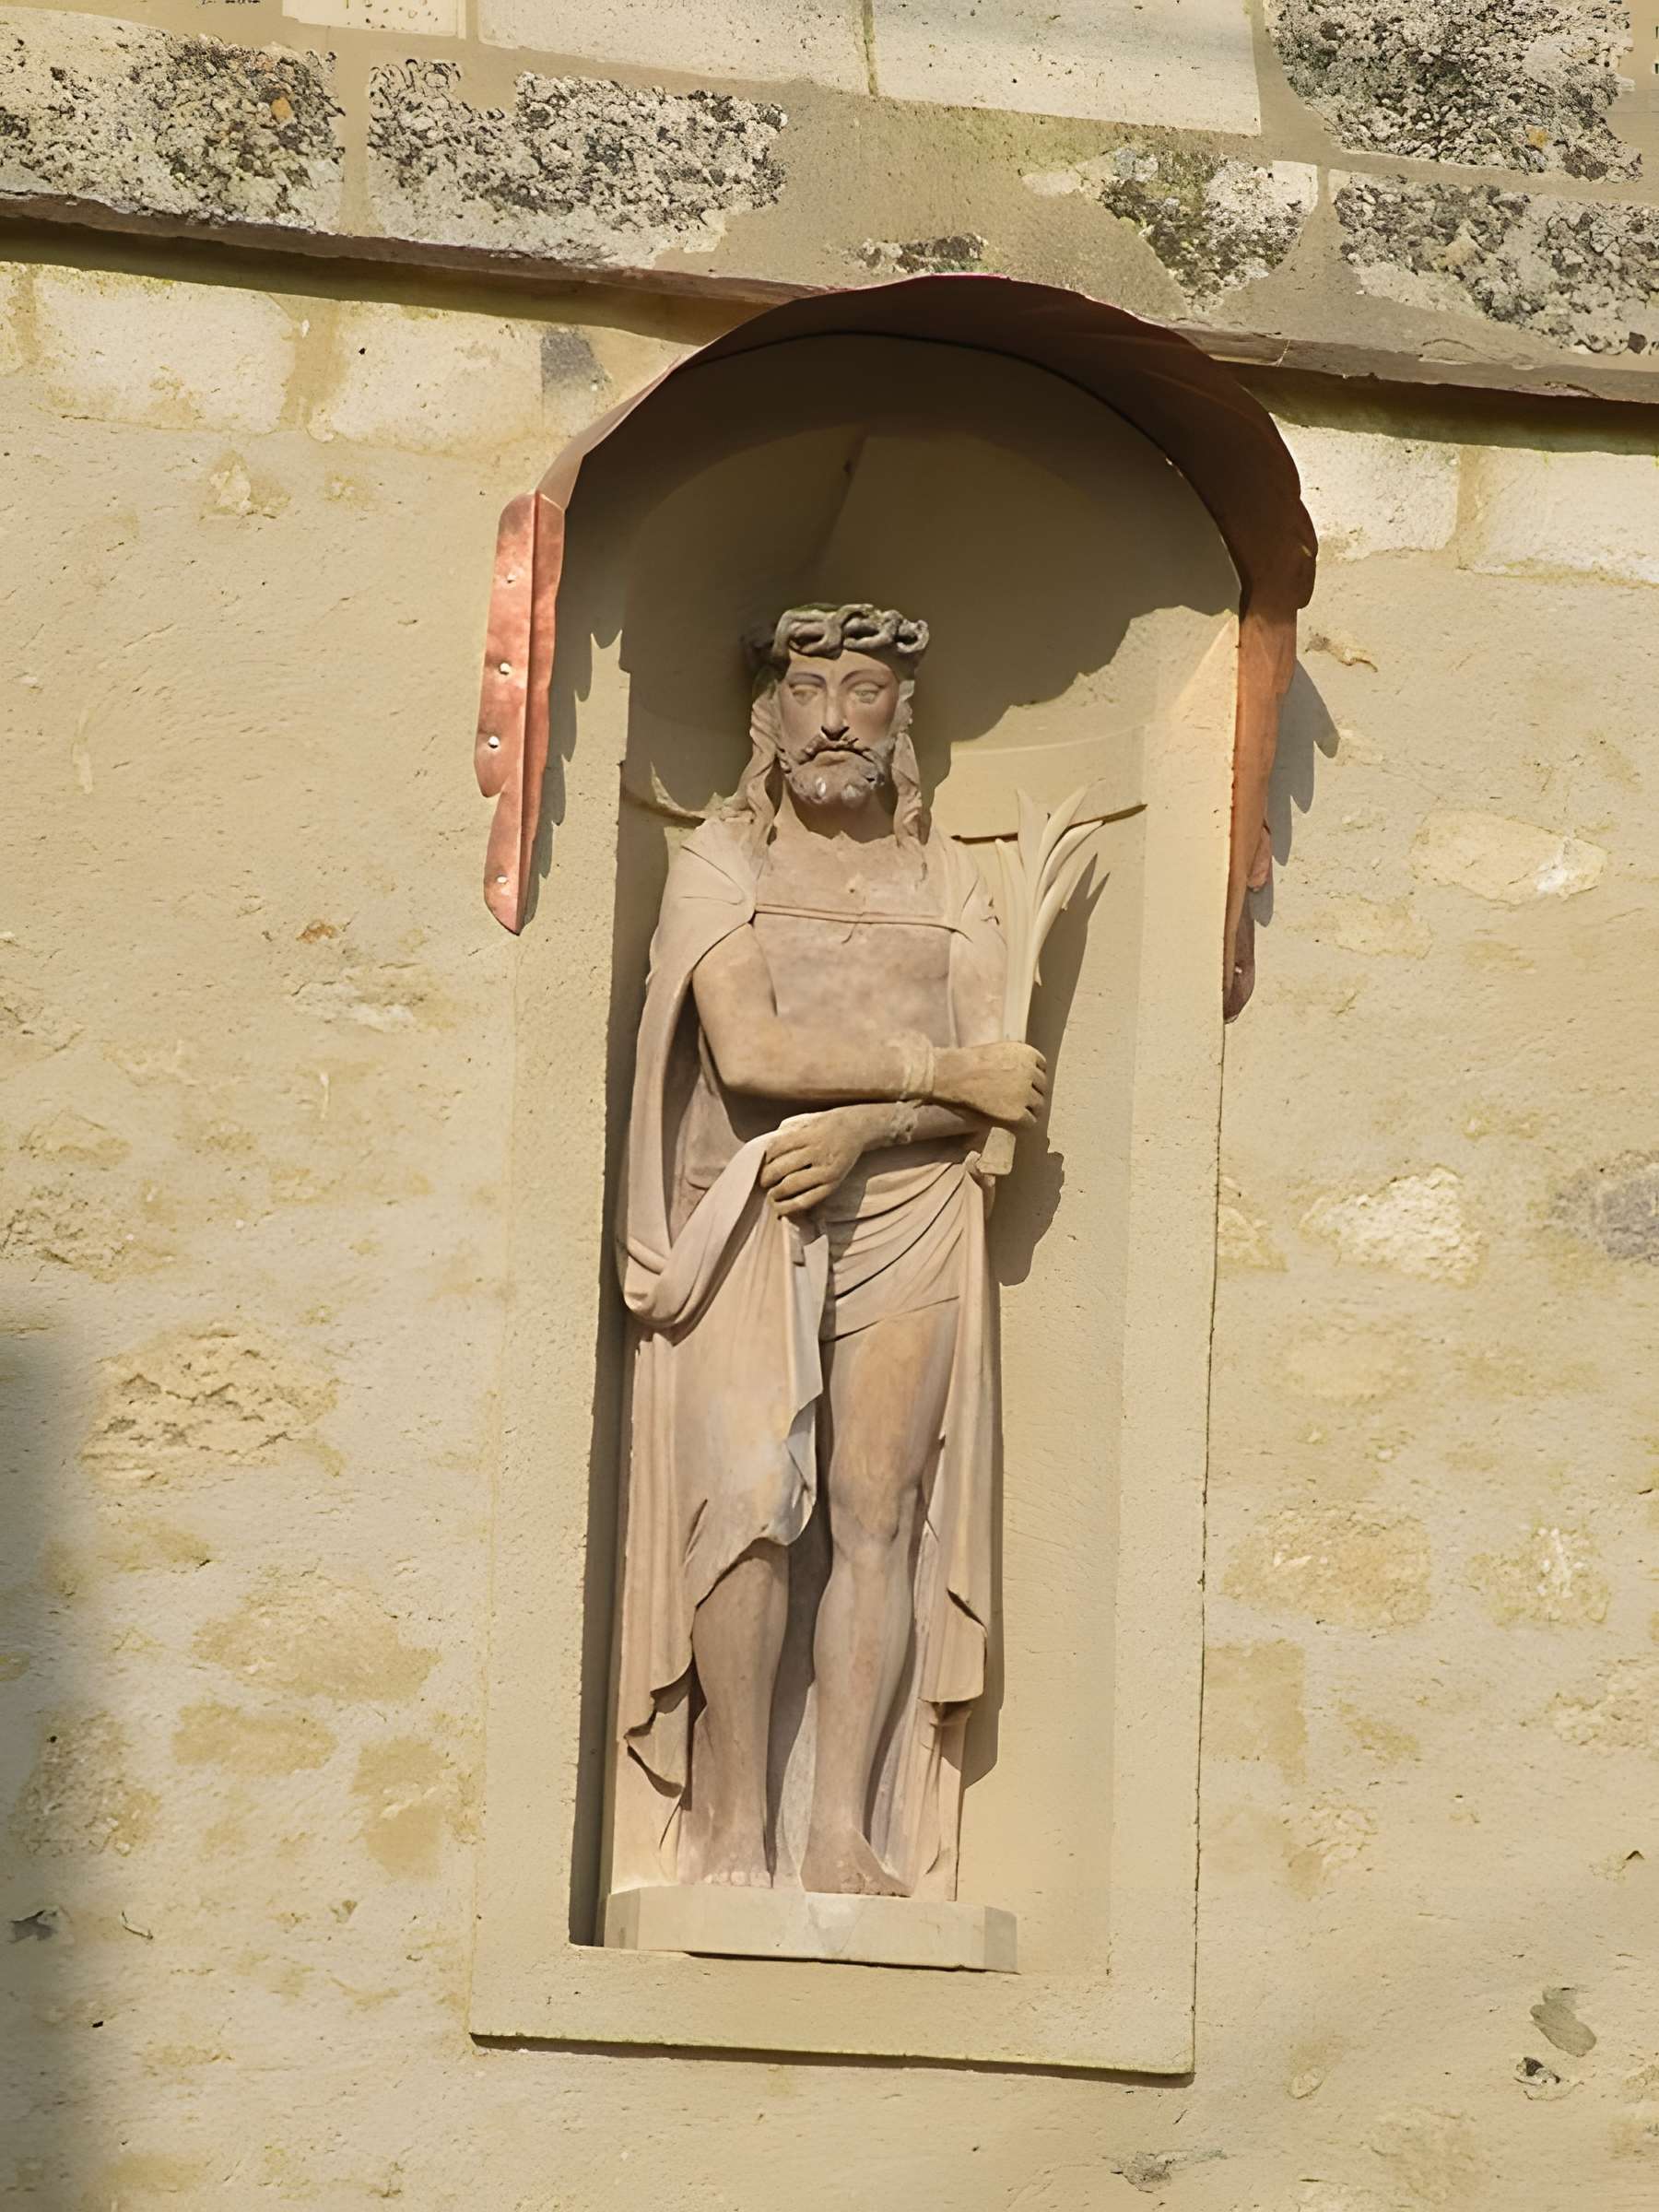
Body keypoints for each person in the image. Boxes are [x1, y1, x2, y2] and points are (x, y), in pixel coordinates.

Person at [612, 604, 1043, 1900]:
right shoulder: (721, 863)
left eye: (866, 689)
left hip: (910, 1213)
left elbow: (1005, 1090)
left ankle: (840, 1827)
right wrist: (936, 1076)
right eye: (812, 692)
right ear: (769, 718)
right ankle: (735, 1823)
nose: (840, 716)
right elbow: (751, 1057)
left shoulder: (950, 882)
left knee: (876, 1516)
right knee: (746, 1508)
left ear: (902, 719)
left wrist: (871, 1123)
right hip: (745, 1211)